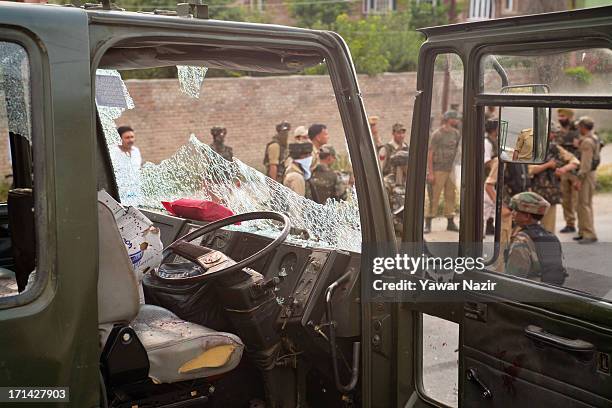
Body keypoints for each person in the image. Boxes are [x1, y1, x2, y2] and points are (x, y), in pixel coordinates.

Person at [505, 192, 567, 285]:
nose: (512, 213)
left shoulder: (522, 240)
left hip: (531, 292)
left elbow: (514, 277)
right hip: (554, 290)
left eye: (515, 211)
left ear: (527, 216)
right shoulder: (551, 237)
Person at [528, 124, 579, 233]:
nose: (554, 135)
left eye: (555, 133)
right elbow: (530, 170)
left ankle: (548, 249)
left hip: (550, 193)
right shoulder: (531, 147)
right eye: (552, 133)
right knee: (530, 226)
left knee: (548, 228)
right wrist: (548, 165)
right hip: (533, 192)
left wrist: (563, 169)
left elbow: (574, 161)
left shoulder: (555, 148)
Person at [425, 111, 461, 233]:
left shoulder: (456, 133)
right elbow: (430, 153)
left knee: (451, 195)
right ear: (448, 119)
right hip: (438, 169)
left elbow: (456, 150)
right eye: (454, 118)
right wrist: (430, 172)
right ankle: (428, 223)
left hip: (450, 169)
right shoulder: (437, 134)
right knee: (433, 196)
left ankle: (450, 221)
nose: (456, 120)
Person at [574, 116, 600, 244]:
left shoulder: (587, 142)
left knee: (584, 205)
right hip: (591, 174)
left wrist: (579, 179)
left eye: (579, 126)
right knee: (584, 204)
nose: (578, 128)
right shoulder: (593, 138)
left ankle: (588, 233)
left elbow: (585, 164)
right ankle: (583, 231)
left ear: (583, 127)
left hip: (586, 175)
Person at [555, 108, 580, 233]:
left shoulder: (579, 130)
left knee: (577, 200)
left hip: (577, 170)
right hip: (564, 170)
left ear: (569, 117)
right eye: (559, 116)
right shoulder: (558, 131)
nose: (560, 118)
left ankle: (583, 225)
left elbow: (597, 143)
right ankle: (570, 223)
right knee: (566, 199)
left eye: (563, 116)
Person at [483, 119, 499, 235]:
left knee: (492, 205)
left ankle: (490, 225)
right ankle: (481, 231)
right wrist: (497, 163)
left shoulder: (496, 141)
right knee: (487, 203)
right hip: (487, 176)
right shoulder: (486, 142)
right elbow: (486, 161)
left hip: (495, 176)